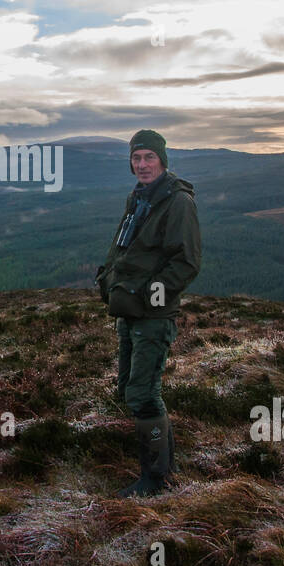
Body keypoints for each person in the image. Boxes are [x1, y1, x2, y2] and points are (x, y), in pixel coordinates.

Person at [94, 130, 201, 497]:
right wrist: (107, 279)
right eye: (136, 158)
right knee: (130, 388)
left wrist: (149, 295)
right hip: (129, 311)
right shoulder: (138, 197)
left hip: (152, 314)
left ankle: (155, 480)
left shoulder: (178, 202)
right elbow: (122, 249)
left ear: (162, 160)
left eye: (149, 158)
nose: (142, 165)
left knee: (142, 393)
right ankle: (165, 468)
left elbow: (185, 262)